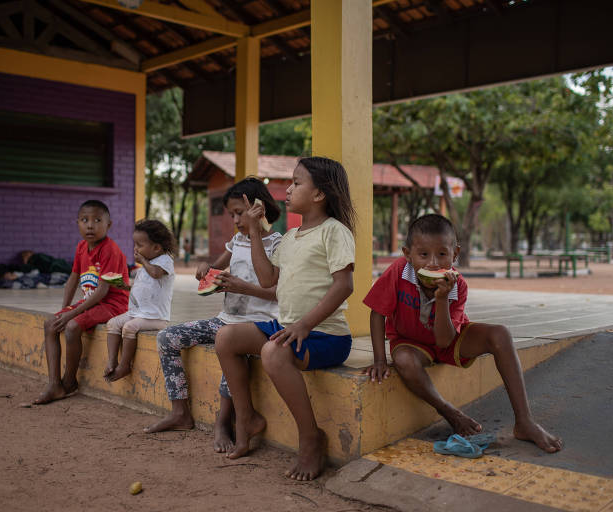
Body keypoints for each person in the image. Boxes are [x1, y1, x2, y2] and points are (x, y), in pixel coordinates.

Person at [362, 214, 562, 453]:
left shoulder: (458, 284)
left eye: (442, 254)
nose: (433, 263)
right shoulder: (398, 271)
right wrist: (379, 360)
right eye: (423, 254)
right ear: (408, 254)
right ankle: (449, 412)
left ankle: (525, 421)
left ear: (455, 254)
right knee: (403, 359)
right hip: (411, 342)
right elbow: (377, 313)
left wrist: (442, 299)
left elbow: (444, 341)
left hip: (448, 338)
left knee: (500, 334)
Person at [215, 157, 357, 481]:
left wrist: (305, 324)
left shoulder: (334, 231)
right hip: (288, 328)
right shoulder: (291, 236)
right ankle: (246, 418)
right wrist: (254, 231)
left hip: (326, 335)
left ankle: (310, 436)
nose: (288, 190)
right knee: (226, 337)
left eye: (296, 182)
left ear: (319, 194)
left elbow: (344, 285)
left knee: (273, 352)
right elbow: (268, 279)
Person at [145, 177, 282, 455]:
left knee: (230, 350)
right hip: (225, 319)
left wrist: (244, 288)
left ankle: (223, 421)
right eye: (232, 215)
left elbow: (279, 293)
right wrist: (205, 269)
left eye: (239, 213)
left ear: (259, 208)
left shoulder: (279, 245)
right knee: (167, 338)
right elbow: (214, 271)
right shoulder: (237, 241)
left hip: (256, 326)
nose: (236, 220)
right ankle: (180, 412)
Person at [33, 200, 129, 405]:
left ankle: (69, 381)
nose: (90, 225)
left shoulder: (110, 250)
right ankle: (54, 384)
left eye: (97, 220)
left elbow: (103, 291)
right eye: (84, 220)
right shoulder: (81, 247)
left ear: (109, 224)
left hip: (113, 303)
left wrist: (72, 314)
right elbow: (73, 279)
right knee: (51, 323)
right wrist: (64, 309)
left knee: (72, 326)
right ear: (77, 223)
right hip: (91, 301)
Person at [103, 219, 176, 382]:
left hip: (156, 318)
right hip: (138, 313)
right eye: (134, 244)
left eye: (140, 245)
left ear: (156, 248)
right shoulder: (146, 266)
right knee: (112, 323)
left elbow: (156, 274)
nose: (135, 249)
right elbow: (141, 287)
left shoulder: (165, 261)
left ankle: (125, 365)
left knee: (129, 327)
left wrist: (143, 261)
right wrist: (124, 286)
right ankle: (112, 361)